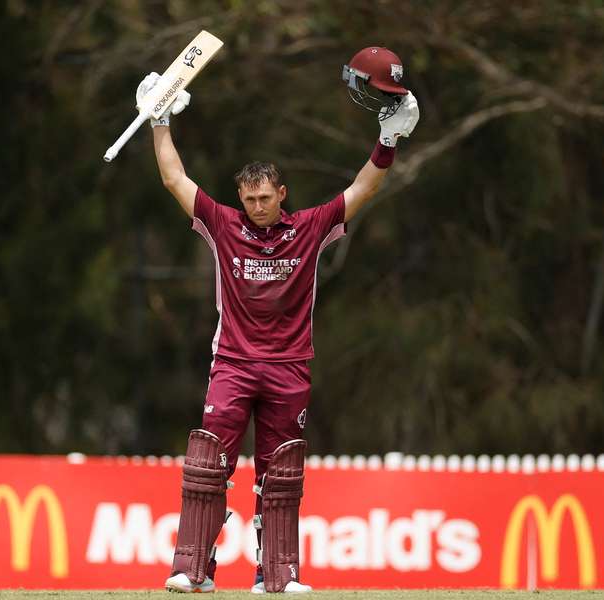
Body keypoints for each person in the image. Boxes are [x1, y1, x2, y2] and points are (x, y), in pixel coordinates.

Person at [143, 47, 420, 594]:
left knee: (282, 473)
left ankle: (277, 576)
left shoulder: (310, 228)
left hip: (290, 365)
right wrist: (159, 120)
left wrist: (388, 141)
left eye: (265, 198)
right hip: (234, 363)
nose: (256, 208)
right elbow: (176, 180)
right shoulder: (224, 224)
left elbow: (363, 188)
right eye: (249, 199)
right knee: (206, 464)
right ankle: (191, 569)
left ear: (282, 194)